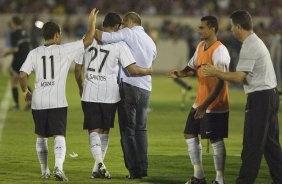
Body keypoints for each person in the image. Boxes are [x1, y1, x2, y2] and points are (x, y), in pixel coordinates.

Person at [18, 8, 99, 181]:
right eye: (60, 34)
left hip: (38, 101)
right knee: (59, 135)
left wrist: (26, 91)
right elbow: (89, 39)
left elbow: (22, 75)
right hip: (57, 101)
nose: (60, 36)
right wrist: (91, 22)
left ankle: (44, 170)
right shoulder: (64, 50)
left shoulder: (34, 53)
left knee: (41, 136)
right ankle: (59, 168)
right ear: (55, 35)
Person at [202, 10, 282, 184]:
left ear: (238, 27)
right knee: (270, 145)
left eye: (232, 27)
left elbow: (239, 77)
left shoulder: (249, 44)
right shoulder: (256, 42)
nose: (231, 30)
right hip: (270, 95)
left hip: (260, 98)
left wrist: (216, 72)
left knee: (252, 145)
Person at [74, 12, 153, 179]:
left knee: (94, 130)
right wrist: (148, 71)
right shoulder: (121, 43)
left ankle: (99, 165)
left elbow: (77, 67)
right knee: (106, 131)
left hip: (90, 90)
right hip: (111, 92)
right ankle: (99, 167)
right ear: (117, 27)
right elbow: (132, 69)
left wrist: (81, 86)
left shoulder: (87, 38)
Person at [168, 16, 230, 184]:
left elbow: (220, 82)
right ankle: (199, 176)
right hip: (200, 102)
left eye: (202, 27)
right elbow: (191, 68)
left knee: (215, 138)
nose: (198, 30)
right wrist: (179, 73)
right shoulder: (201, 46)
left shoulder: (220, 51)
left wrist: (205, 105)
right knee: (189, 133)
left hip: (215, 104)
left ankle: (219, 179)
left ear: (212, 29)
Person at [95, 12, 157, 179]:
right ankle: (143, 169)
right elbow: (151, 60)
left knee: (128, 131)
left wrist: (91, 24)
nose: (121, 26)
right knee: (141, 130)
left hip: (129, 87)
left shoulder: (128, 33)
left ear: (130, 22)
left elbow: (103, 36)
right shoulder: (150, 41)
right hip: (146, 89)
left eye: (123, 23)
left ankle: (134, 171)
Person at [1, 16, 32, 111]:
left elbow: (15, 49)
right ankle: (30, 103)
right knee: (25, 83)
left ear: (14, 23)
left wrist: (5, 54)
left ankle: (16, 105)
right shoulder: (25, 33)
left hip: (18, 61)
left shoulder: (14, 34)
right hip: (27, 61)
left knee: (14, 83)